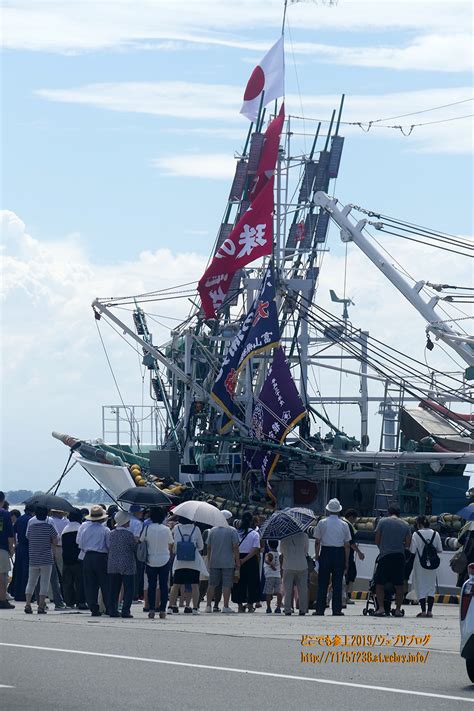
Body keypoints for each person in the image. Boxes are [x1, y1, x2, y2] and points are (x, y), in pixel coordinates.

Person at [314, 498, 351, 616]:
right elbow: (347, 545)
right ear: (339, 510)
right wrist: (346, 561)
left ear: (328, 510)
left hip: (325, 552)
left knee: (322, 583)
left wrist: (317, 555)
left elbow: (317, 541)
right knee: (337, 583)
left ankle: (320, 609)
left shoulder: (322, 523)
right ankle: (337, 609)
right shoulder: (344, 525)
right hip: (339, 553)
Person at [374, 503, 411, 617]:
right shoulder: (405, 525)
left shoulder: (382, 522)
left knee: (379, 584)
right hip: (399, 557)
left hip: (385, 556)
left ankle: (380, 608)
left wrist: (383, 548)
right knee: (399, 585)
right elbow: (408, 544)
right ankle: (398, 609)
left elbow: (377, 539)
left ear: (388, 512)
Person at [77, 504, 111, 617]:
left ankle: (93, 607)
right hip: (101, 557)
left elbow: (80, 545)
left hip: (87, 556)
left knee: (90, 584)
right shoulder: (105, 530)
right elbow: (109, 545)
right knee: (105, 583)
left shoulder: (85, 529)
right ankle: (108, 607)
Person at [141, 507, 173, 620]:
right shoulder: (166, 529)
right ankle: (162, 610)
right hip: (164, 558)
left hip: (150, 559)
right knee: (164, 585)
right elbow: (170, 544)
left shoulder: (147, 528)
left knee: (152, 585)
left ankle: (151, 609)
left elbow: (141, 541)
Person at [24, 506, 57, 614]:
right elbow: (55, 540)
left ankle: (28, 604)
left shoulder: (31, 526)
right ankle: (41, 606)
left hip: (33, 557)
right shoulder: (49, 526)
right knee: (44, 583)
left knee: (31, 582)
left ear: (35, 514)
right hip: (46, 558)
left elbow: (28, 537)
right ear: (46, 515)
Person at [168, 516, 204, 614]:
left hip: (179, 560)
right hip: (193, 561)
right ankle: (195, 608)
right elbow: (201, 546)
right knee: (194, 584)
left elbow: (173, 543)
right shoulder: (196, 529)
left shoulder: (176, 528)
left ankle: (170, 606)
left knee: (176, 584)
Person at [409, 515, 442, 618]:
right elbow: (439, 549)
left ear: (419, 524)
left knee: (421, 586)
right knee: (431, 586)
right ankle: (430, 611)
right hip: (432, 563)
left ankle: (423, 611)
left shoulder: (416, 534)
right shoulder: (436, 534)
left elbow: (412, 550)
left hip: (420, 563)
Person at [205, 518, 240, 614]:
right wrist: (237, 562)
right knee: (227, 585)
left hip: (214, 561)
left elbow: (208, 547)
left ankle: (208, 606)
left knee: (211, 584)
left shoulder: (212, 530)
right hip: (228, 562)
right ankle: (225, 606)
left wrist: (209, 561)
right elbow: (235, 547)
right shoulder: (232, 530)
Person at [108, 510, 137, 618]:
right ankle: (125, 610)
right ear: (125, 522)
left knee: (113, 589)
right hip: (127, 564)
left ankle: (112, 610)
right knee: (129, 589)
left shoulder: (110, 534)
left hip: (113, 563)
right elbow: (134, 548)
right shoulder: (129, 534)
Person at [231, 511, 261, 613]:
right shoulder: (254, 533)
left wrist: (238, 559)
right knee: (252, 582)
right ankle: (250, 605)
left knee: (238, 582)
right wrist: (245, 559)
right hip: (251, 559)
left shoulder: (236, 532)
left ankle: (240, 605)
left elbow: (233, 547)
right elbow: (255, 549)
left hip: (237, 558)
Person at [61, 508, 87, 609]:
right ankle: (81, 601)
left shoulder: (65, 529)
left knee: (67, 583)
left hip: (66, 559)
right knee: (80, 582)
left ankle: (69, 602)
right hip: (78, 559)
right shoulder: (81, 528)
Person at [280, 531, 309, 616]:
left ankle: (288, 609)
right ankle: (303, 609)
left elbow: (282, 551)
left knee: (287, 589)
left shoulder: (284, 536)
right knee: (303, 589)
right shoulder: (304, 535)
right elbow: (306, 550)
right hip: (302, 564)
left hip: (288, 565)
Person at [11, 504, 34, 602]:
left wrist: (15, 544)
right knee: (27, 572)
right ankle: (26, 595)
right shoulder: (32, 520)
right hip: (29, 547)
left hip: (19, 548)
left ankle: (17, 594)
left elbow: (13, 533)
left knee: (18, 571)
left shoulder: (19, 519)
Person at [343, 509, 365, 605]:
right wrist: (359, 552)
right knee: (351, 574)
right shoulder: (348, 526)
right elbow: (351, 542)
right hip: (348, 555)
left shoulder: (342, 523)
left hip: (340, 553)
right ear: (351, 517)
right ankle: (346, 596)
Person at [0, 491, 15, 609]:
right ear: (3, 501)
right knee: (3, 576)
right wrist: (11, 550)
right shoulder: (5, 514)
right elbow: (10, 536)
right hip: (2, 548)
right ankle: (2, 599)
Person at [263, 540, 282, 614]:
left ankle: (268, 607)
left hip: (270, 575)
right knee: (278, 592)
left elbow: (267, 561)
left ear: (269, 545)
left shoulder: (269, 554)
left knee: (268, 592)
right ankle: (278, 607)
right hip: (278, 575)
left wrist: (271, 565)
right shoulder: (279, 554)